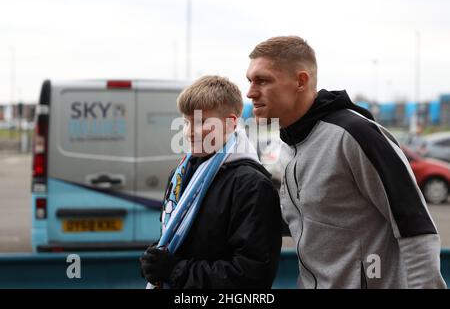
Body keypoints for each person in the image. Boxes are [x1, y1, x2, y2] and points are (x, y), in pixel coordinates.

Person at [246, 36, 447, 289]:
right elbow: (308, 219)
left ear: (300, 81)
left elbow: (416, 227)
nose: (251, 92)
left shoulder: (355, 134)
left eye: (262, 80)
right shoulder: (288, 145)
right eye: (250, 81)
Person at [140, 75, 282, 289]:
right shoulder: (180, 174)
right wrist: (156, 259)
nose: (190, 132)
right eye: (186, 122)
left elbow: (252, 277)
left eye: (202, 122)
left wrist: (175, 270)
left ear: (231, 123)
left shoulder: (251, 185)